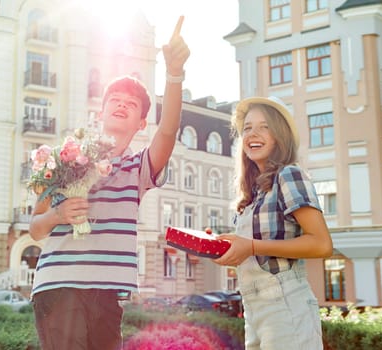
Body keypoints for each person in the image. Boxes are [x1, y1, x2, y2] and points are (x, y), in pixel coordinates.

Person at [28, 16, 190, 350]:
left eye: (131, 104)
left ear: (142, 121)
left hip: (107, 293)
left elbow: (169, 131)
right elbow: (35, 228)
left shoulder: (138, 167)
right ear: (100, 112)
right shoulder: (65, 158)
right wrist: (58, 216)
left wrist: (174, 74)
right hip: (59, 284)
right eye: (114, 100)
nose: (121, 105)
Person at [213, 96, 333, 350]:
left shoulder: (289, 175)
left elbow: (321, 244)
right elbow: (250, 250)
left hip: (286, 304)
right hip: (253, 309)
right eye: (247, 128)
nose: (253, 133)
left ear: (280, 135)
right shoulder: (251, 194)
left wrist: (252, 246)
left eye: (264, 126)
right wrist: (224, 248)